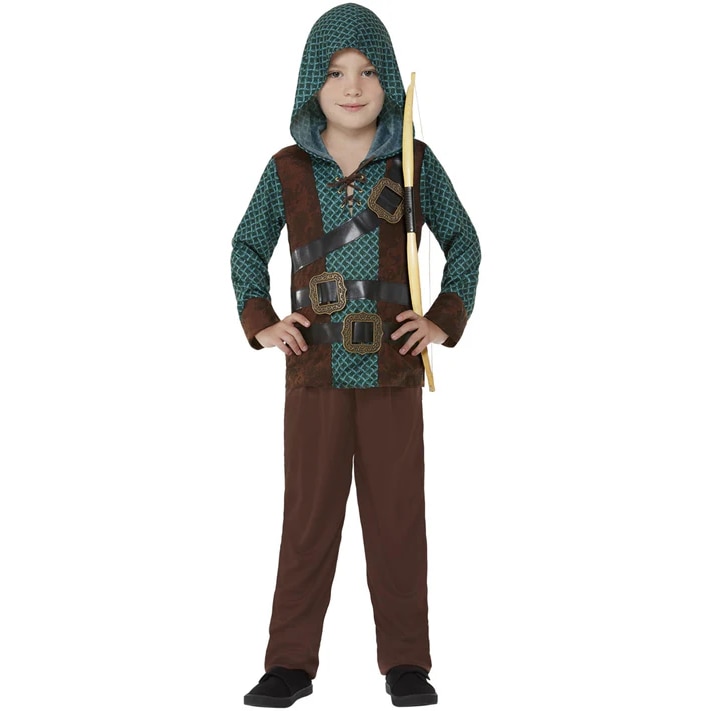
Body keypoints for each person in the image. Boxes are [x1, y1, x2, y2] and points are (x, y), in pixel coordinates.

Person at [230, 3, 481, 707]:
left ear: (388, 82)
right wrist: (262, 322)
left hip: (393, 369)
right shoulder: (285, 169)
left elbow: (464, 243)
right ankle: (289, 664)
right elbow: (247, 246)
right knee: (308, 519)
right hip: (313, 369)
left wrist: (441, 320)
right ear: (313, 81)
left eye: (368, 71)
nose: (352, 86)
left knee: (397, 519)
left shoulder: (414, 164)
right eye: (336, 71)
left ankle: (406, 664)